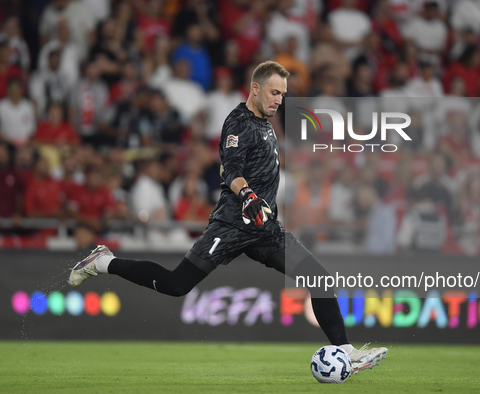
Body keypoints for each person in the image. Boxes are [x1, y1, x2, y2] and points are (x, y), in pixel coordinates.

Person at [67, 61, 386, 374]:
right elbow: (230, 169)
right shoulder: (239, 122)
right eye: (274, 92)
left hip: (265, 228)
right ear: (255, 88)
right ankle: (103, 262)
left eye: (283, 94)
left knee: (320, 279)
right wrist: (247, 195)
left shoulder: (266, 123)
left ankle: (346, 352)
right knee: (176, 285)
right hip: (233, 223)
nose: (279, 100)